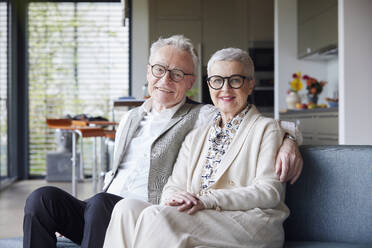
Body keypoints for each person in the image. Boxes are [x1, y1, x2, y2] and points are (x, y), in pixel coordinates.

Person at [23, 35, 302, 248]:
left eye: (177, 74)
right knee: (42, 199)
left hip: (139, 209)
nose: (165, 79)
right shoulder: (131, 118)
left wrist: (289, 138)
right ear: (148, 72)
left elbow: (240, 114)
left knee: (101, 204)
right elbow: (116, 175)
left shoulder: (201, 115)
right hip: (103, 207)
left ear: (191, 82)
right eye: (159, 69)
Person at [103, 47, 290, 248]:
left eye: (235, 80)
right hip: (202, 215)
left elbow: (269, 192)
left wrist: (206, 200)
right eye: (217, 81)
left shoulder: (266, 129)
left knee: (155, 215)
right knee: (126, 208)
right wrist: (175, 197)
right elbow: (172, 187)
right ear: (209, 85)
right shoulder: (197, 135)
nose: (225, 89)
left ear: (250, 84)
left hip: (248, 221)